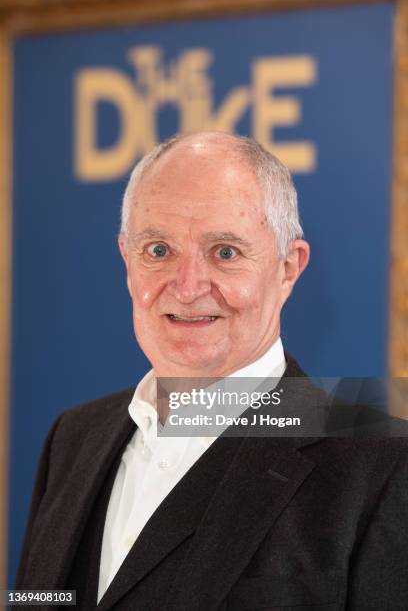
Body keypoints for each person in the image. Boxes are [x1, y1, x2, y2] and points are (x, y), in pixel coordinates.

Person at [15, 132, 408, 610]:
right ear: (127, 260)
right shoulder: (73, 439)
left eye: (225, 252)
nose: (186, 287)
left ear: (288, 268)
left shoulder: (383, 467)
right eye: (158, 250)